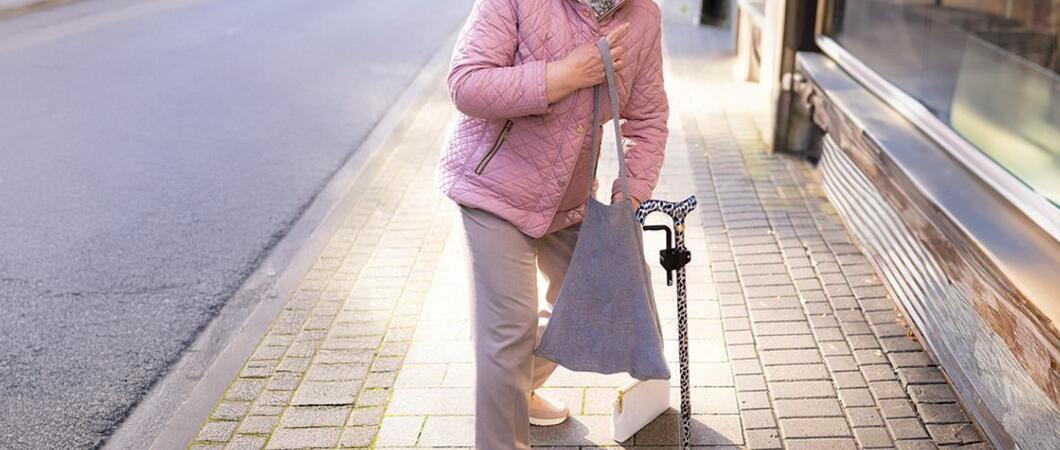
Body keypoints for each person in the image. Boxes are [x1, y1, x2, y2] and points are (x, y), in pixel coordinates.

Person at [436, 0, 668, 448]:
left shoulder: (643, 17)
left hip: (569, 198)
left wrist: (631, 196)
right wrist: (564, 75)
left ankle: (517, 387)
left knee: (586, 300)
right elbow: (466, 85)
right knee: (509, 330)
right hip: (493, 189)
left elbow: (649, 117)